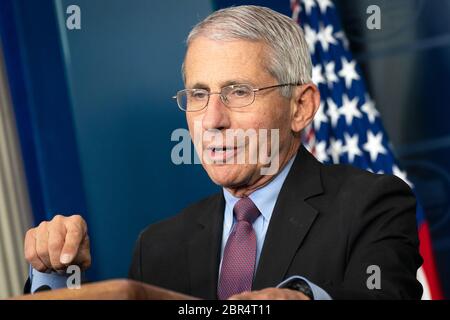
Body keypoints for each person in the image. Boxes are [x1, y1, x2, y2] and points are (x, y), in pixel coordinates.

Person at [23, 5, 422, 300]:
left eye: (238, 92)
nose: (213, 119)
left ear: (300, 107)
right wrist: (56, 275)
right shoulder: (157, 246)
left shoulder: (373, 205)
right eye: (198, 94)